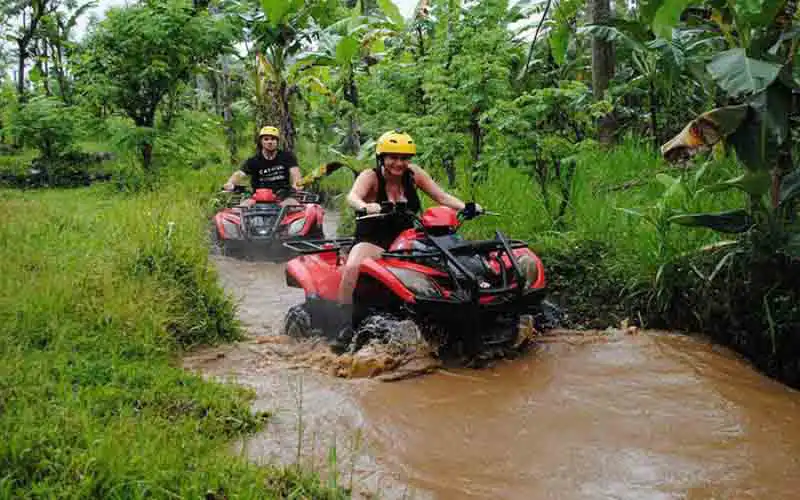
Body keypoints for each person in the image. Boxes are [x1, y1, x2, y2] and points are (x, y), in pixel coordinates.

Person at [327, 130, 479, 350]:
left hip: (407, 239)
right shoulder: (371, 176)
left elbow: (441, 197)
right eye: (393, 157)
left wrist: (467, 206)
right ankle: (345, 324)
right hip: (374, 241)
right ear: (382, 157)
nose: (399, 163)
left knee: (446, 261)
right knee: (352, 266)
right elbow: (353, 196)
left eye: (404, 158)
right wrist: (365, 206)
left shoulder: (413, 174)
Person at [223, 126, 302, 206]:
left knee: (293, 205)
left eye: (273, 139)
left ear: (277, 141)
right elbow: (240, 174)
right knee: (241, 208)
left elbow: (295, 172)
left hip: (283, 196)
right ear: (261, 141)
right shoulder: (253, 161)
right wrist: (230, 183)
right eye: (266, 139)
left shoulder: (287, 157)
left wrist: (297, 183)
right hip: (258, 197)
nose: (270, 142)